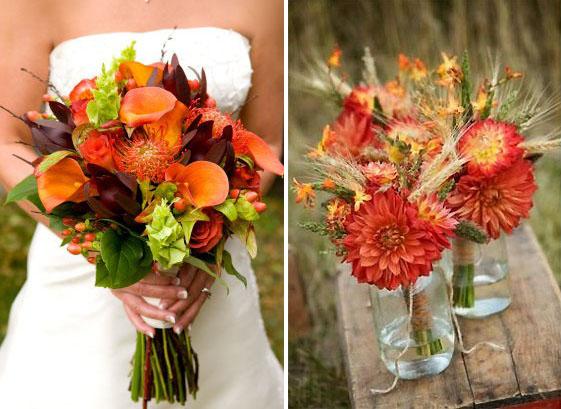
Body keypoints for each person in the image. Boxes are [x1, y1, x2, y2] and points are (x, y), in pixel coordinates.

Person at [0, 0, 283, 407]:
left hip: (207, 280)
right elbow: (7, 139)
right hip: (82, 286)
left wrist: (212, 242)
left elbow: (267, 141)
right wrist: (101, 250)